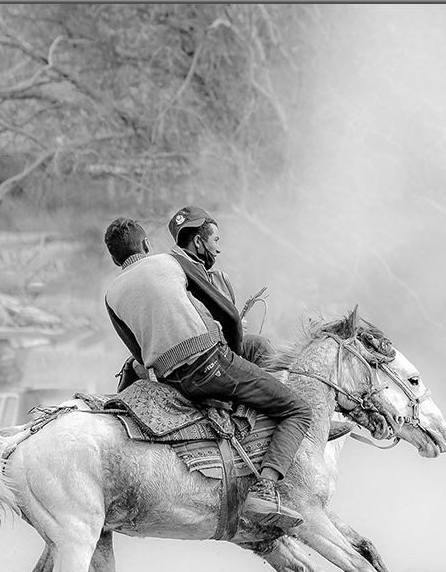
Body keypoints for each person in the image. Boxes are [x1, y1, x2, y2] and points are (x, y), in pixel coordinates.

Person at [103, 217, 312, 533]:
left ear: (115, 258)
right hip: (211, 362)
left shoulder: (111, 295)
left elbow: (137, 351)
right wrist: (232, 349)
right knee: (299, 410)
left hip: (174, 379)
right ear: (146, 244)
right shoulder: (169, 262)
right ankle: (264, 489)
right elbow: (224, 310)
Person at [168, 206, 275, 367]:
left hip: (225, 348)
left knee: (255, 344)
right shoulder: (175, 276)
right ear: (198, 241)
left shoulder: (219, 278)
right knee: (259, 346)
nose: (218, 249)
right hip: (205, 355)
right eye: (215, 240)